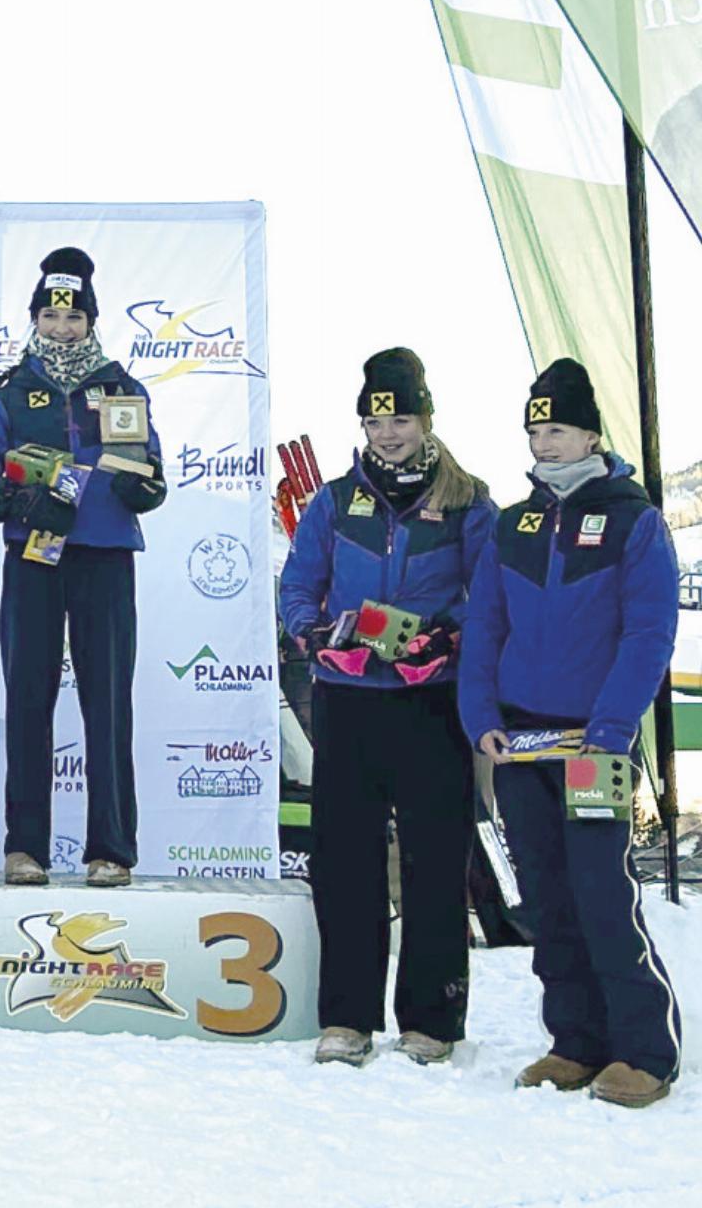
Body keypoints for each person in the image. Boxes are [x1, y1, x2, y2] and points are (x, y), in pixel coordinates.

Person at [460, 358, 682, 1107]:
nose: (543, 443)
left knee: (600, 891)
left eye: (556, 429)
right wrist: (482, 719)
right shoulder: (513, 523)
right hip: (522, 744)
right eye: (535, 432)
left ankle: (645, 1050)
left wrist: (612, 727)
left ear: (590, 433)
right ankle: (575, 1041)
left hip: (595, 742)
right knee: (546, 898)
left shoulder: (634, 519)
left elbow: (649, 633)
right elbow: (484, 626)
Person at [277, 349, 495, 1067]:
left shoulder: (467, 501)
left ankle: (431, 1018)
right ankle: (346, 1017)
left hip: (430, 701)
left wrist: (448, 638)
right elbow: (298, 586)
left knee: (435, 859)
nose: (388, 434)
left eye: (400, 419)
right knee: (345, 859)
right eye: (376, 421)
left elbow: (492, 595)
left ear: (425, 419)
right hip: (348, 698)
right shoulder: (336, 500)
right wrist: (312, 634)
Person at [0, 247, 166, 888]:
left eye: (74, 318)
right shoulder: (12, 393)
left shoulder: (123, 389)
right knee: (28, 698)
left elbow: (153, 467)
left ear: (91, 321)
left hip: (105, 556)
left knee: (108, 701)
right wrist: (7, 499)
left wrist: (146, 487)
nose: (62, 329)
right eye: (50, 316)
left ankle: (111, 850)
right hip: (34, 556)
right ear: (35, 320)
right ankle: (25, 849)